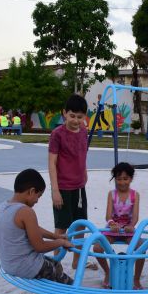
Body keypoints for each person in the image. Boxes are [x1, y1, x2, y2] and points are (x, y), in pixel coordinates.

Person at [0, 168, 113, 294]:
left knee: (55, 267)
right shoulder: (26, 211)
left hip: (10, 263)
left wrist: (55, 235)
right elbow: (39, 246)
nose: (36, 201)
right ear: (31, 191)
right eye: (38, 196)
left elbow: (34, 230)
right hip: (25, 266)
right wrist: (60, 242)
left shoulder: (6, 206)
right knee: (71, 287)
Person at [48, 94, 97, 272]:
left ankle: (77, 261)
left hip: (79, 187)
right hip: (62, 187)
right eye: (72, 116)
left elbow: (82, 154)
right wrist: (55, 190)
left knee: (81, 224)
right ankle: (56, 263)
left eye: (80, 117)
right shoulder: (57, 135)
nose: (76, 120)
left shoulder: (84, 131)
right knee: (61, 227)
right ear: (64, 114)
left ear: (84, 116)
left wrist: (84, 171)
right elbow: (52, 162)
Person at [95, 162, 145, 289]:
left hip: (128, 229)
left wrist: (132, 225)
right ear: (115, 179)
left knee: (141, 249)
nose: (122, 182)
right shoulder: (112, 194)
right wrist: (112, 223)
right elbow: (108, 216)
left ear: (131, 179)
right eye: (119, 179)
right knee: (97, 248)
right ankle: (108, 272)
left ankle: (136, 278)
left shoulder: (135, 195)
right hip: (113, 228)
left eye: (125, 179)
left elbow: (135, 216)